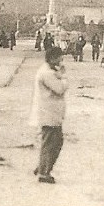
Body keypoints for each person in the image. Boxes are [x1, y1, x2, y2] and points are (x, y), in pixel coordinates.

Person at [31, 46, 68, 184]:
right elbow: (59, 88)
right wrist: (64, 76)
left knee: (53, 142)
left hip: (51, 114)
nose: (61, 60)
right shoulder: (46, 73)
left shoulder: (49, 71)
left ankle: (42, 167)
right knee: (52, 143)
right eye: (60, 57)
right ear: (53, 58)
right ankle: (44, 173)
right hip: (49, 114)